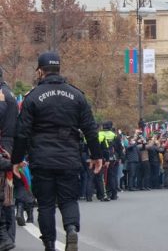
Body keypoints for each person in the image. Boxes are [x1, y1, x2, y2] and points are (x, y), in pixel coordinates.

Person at [12, 52, 103, 251]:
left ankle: (50, 245)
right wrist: (96, 156)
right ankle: (71, 229)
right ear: (59, 69)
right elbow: (90, 129)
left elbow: (22, 133)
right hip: (69, 157)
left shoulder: (32, 96)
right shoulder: (77, 95)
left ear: (40, 71)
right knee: (68, 199)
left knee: (45, 204)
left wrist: (17, 160)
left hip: (42, 159)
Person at [0, 68, 17, 249]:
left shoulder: (2, 96)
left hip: (3, 146)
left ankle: (6, 237)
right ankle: (9, 236)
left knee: (4, 195)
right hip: (10, 146)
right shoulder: (8, 93)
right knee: (8, 196)